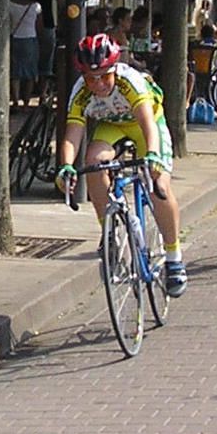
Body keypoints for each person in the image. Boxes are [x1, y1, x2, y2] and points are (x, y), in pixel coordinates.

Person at [55, 33, 187, 298]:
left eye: (105, 75)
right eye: (92, 78)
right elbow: (73, 134)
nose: (99, 83)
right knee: (92, 162)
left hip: (144, 125)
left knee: (158, 184)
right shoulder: (80, 92)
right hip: (112, 126)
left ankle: (174, 258)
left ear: (115, 69)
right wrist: (66, 166)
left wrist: (152, 155)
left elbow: (148, 123)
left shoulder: (130, 82)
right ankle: (109, 233)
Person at [30, 0, 65, 98]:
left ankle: (29, 89)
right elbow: (61, 1)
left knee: (32, 57)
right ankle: (42, 92)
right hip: (47, 22)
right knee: (46, 59)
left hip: (30, 24)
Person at [9, 0, 42, 111]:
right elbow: (39, 26)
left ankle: (16, 100)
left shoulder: (10, 5)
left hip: (15, 39)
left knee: (15, 72)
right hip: (31, 39)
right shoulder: (35, 6)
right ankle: (27, 102)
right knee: (30, 72)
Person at [107, 7, 145, 71]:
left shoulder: (115, 32)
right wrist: (140, 64)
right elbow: (125, 57)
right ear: (120, 21)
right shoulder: (118, 34)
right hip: (119, 69)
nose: (130, 22)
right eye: (128, 19)